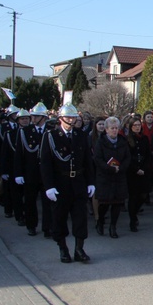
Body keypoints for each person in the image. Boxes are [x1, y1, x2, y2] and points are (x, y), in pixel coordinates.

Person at [40, 103, 95, 263]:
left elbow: (87, 161)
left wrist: (91, 182)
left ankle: (79, 249)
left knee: (80, 218)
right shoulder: (51, 136)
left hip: (78, 182)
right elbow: (45, 163)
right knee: (59, 218)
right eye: (68, 117)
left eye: (73, 117)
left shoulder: (80, 135)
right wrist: (49, 186)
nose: (71, 120)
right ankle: (63, 248)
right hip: (60, 183)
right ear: (60, 119)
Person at [13, 103, 50, 236]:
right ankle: (31, 225)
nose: (33, 119)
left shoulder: (50, 130)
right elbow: (19, 154)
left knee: (48, 202)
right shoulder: (25, 131)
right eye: (32, 116)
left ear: (44, 117)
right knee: (30, 201)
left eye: (36, 116)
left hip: (47, 173)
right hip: (30, 172)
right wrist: (18, 173)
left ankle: (48, 227)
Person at [93, 116, 131, 238]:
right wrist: (109, 168)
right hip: (105, 177)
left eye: (116, 128)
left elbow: (127, 157)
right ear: (106, 129)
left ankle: (113, 226)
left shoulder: (122, 141)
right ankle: (100, 221)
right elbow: (97, 159)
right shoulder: (100, 142)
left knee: (117, 203)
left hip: (119, 176)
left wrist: (121, 167)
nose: (114, 130)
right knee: (104, 204)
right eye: (112, 128)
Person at [125, 116, 151, 232]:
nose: (137, 127)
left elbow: (147, 155)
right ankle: (132, 219)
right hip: (132, 172)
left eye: (139, 125)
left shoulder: (144, 138)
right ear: (130, 127)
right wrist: (136, 169)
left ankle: (135, 212)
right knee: (133, 196)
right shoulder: (127, 139)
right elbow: (127, 157)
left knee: (143, 195)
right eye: (135, 125)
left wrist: (144, 168)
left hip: (144, 170)